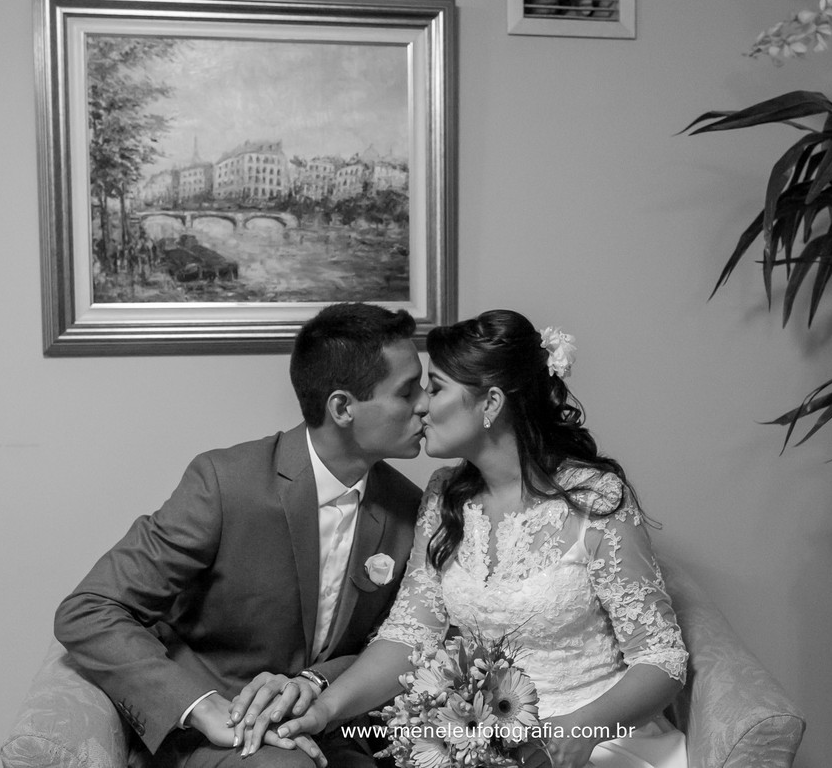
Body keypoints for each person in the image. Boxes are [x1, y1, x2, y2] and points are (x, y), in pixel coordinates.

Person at [235, 309, 689, 768]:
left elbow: (662, 657)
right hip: (478, 745)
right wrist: (325, 709)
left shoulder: (595, 499)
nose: (421, 406)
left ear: (490, 404)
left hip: (591, 742)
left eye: (434, 388)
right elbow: (410, 636)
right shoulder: (443, 496)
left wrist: (578, 732)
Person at [54, 302, 428, 768]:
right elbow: (89, 609)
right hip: (224, 732)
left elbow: (397, 641)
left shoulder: (410, 507)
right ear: (342, 407)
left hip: (336, 729)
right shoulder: (226, 483)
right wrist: (200, 706)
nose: (425, 404)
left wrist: (316, 683)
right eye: (407, 391)